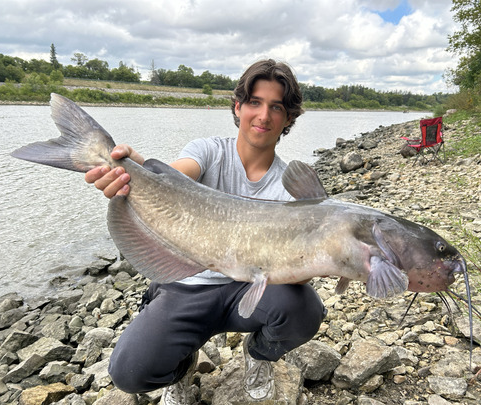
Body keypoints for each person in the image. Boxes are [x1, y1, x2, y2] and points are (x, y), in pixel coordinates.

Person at [85, 59, 326, 404]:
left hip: (248, 289)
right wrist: (135, 170)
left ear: (289, 118)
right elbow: (176, 176)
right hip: (186, 285)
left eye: (277, 107)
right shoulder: (208, 152)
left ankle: (259, 355)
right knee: (130, 372)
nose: (263, 115)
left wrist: (327, 260)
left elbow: (297, 273)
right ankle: (181, 369)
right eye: (255, 102)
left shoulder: (288, 187)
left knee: (305, 310)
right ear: (237, 107)